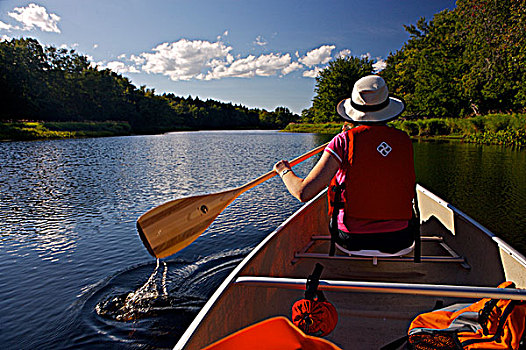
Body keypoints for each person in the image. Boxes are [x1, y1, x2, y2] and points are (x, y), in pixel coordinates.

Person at [273, 75, 416, 256]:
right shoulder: (404, 140)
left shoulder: (342, 141)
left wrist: (284, 170)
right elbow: (375, 156)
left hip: (352, 239)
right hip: (401, 238)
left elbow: (303, 192)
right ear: (386, 108)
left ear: (354, 111)